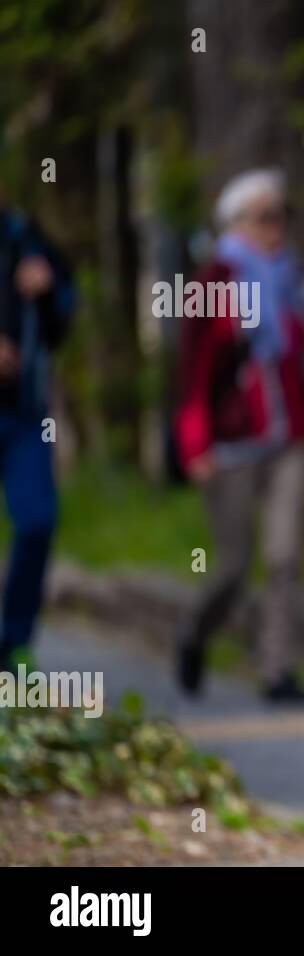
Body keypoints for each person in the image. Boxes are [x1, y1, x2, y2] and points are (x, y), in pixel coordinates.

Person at [173, 168, 304, 704]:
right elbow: (194, 372)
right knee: (232, 567)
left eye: (283, 216)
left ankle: (276, 671)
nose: (278, 227)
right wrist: (194, 443)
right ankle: (196, 632)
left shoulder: (296, 284)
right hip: (231, 441)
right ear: (236, 224)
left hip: (290, 437)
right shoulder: (213, 283)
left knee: (284, 557)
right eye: (266, 217)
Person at [0, 194, 75, 674]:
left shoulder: (26, 236)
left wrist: (48, 293)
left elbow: (63, 318)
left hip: (24, 412)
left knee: (37, 520)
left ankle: (12, 646)